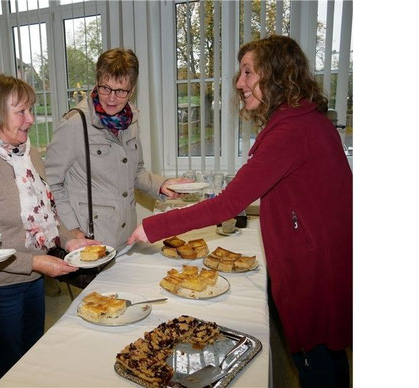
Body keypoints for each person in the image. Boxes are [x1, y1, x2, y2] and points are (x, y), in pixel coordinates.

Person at [129, 35, 352, 388]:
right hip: (324, 262)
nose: (239, 82)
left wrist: (154, 226)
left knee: (318, 362)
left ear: (275, 75)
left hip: (315, 271)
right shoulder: (303, 120)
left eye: (248, 72)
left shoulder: (291, 130)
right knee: (327, 357)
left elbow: (229, 204)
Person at [0, 74, 95, 386]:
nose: (31, 119)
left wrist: (71, 240)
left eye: (31, 109)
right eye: (22, 111)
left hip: (31, 278)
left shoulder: (27, 154)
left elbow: (47, 208)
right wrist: (34, 262)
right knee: (10, 369)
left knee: (32, 360)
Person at [45, 48, 189, 249]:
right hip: (89, 241)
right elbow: (50, 184)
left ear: (132, 90)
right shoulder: (75, 124)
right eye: (105, 88)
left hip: (125, 238)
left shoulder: (130, 121)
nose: (112, 98)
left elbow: (136, 172)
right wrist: (71, 229)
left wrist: (162, 184)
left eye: (121, 91)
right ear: (97, 82)